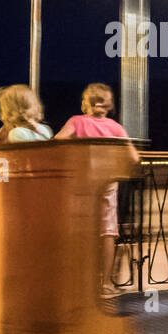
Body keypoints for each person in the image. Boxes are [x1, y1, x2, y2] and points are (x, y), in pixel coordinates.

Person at [56, 84, 139, 296]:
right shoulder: (115, 127)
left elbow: (57, 142)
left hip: (82, 182)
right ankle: (106, 284)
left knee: (81, 230)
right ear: (108, 104)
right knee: (108, 232)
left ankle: (81, 281)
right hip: (108, 182)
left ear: (86, 102)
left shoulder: (77, 121)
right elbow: (133, 157)